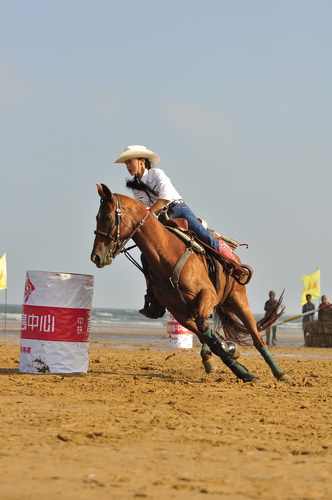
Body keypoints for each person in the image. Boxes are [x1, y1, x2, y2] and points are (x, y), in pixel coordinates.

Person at [114, 145, 245, 318]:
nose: (128, 166)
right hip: (159, 219)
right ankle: (152, 295)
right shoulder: (135, 188)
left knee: (203, 234)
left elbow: (164, 199)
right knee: (145, 256)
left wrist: (147, 216)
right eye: (126, 163)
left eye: (130, 162)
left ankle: (233, 264)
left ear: (142, 161)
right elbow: (144, 211)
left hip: (178, 210)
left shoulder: (157, 174)